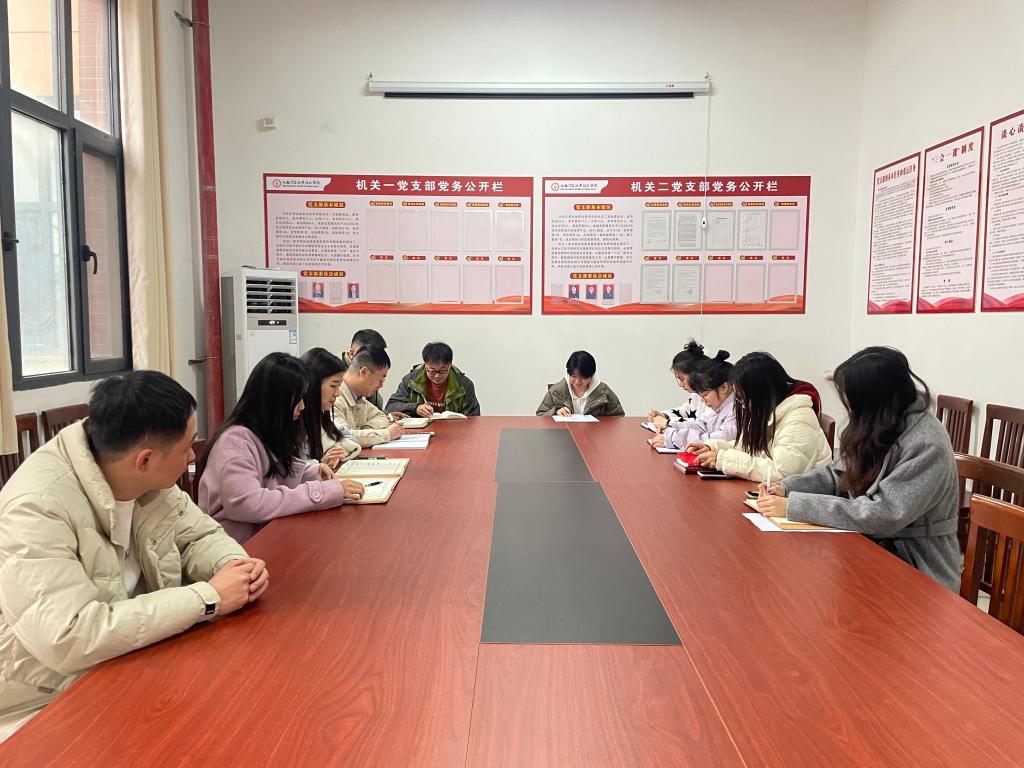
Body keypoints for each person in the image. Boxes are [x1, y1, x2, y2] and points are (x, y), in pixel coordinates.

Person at [0, 371, 268, 741]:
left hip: (136, 658)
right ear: (145, 459)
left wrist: (234, 567)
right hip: (45, 695)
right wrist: (208, 598)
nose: (193, 455)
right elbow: (69, 637)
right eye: (186, 448)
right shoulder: (36, 508)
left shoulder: (140, 475)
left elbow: (199, 535)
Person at [756, 347, 960, 591]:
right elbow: (839, 474)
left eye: (852, 400)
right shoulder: (881, 422)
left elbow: (884, 514)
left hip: (917, 568)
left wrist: (794, 506)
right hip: (868, 547)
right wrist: (787, 488)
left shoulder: (927, 443)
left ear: (875, 398)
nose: (849, 409)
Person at [198, 353, 365, 544]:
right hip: (238, 547)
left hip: (266, 536)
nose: (302, 407)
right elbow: (250, 504)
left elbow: (276, 472)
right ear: (276, 399)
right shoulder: (234, 442)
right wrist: (322, 492)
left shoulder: (265, 433)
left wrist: (312, 472)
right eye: (298, 399)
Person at [687, 352, 831, 482]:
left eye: (744, 398)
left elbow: (782, 473)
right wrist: (713, 448)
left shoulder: (799, 419)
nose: (743, 405)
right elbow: (745, 447)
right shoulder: (764, 410)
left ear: (761, 393)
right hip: (773, 493)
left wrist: (723, 459)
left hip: (801, 496)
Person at [651, 350, 736, 448]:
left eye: (705, 395)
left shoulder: (736, 411)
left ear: (724, 388)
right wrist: (670, 428)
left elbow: (715, 440)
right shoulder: (720, 406)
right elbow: (702, 426)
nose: (702, 400)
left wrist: (673, 437)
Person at [300, 347, 361, 469]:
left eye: (339, 386)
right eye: (333, 386)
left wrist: (335, 451)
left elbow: (350, 437)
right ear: (313, 384)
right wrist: (318, 465)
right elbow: (292, 468)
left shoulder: (322, 417)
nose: (337, 393)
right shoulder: (295, 422)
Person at [385, 341, 481, 417]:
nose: (437, 376)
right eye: (432, 371)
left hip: (454, 430)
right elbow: (390, 407)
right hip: (419, 431)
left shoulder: (464, 384)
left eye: (442, 371)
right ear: (425, 364)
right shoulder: (411, 380)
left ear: (450, 365)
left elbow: (474, 417)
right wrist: (415, 408)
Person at [336, 345, 407, 444]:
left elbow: (381, 417)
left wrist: (367, 430)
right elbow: (343, 437)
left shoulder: (359, 398)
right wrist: (387, 434)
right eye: (381, 380)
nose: (381, 385)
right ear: (364, 372)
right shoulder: (333, 398)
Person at [647, 340, 712, 432]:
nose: (681, 385)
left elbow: (702, 425)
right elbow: (686, 411)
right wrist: (664, 416)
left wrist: (667, 422)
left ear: (695, 374)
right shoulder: (696, 394)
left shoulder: (712, 395)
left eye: (682, 379)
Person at [536, 350, 625, 417]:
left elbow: (619, 418)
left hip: (595, 434)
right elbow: (540, 415)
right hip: (563, 434)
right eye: (574, 376)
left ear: (591, 376)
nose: (578, 381)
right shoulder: (556, 391)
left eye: (583, 377)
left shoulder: (604, 393)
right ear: (568, 373)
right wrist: (555, 412)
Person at [341, 329, 388, 410]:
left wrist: (387, 415)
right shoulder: (333, 373)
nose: (373, 361)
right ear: (351, 354)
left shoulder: (372, 371)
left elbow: (372, 411)